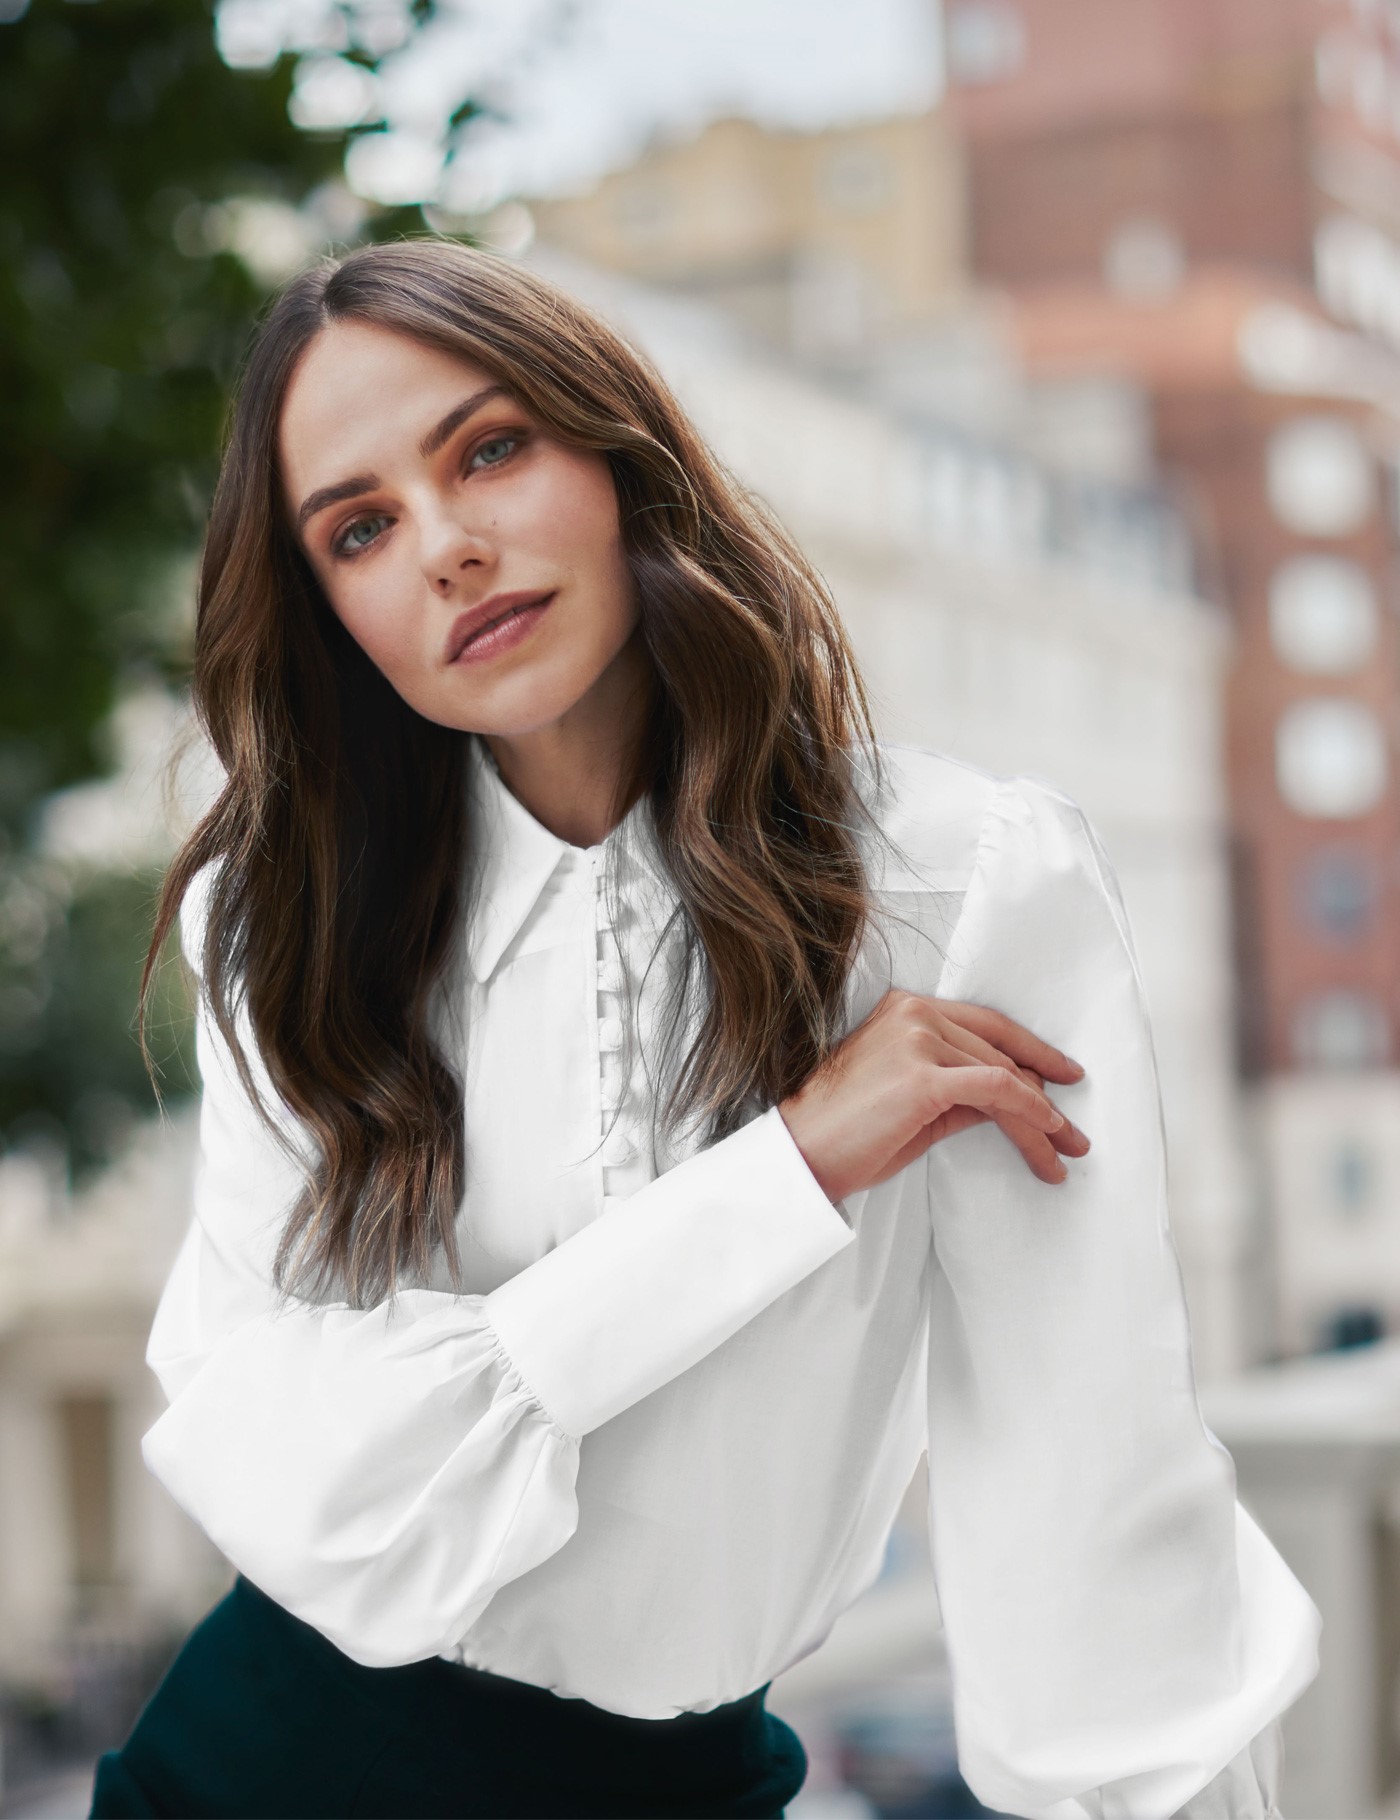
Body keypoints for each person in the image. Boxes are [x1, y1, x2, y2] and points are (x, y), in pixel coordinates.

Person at [90, 239, 1320, 1820]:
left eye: (490, 449)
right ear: (331, 611)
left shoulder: (961, 885)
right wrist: (784, 1174)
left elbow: (1092, 1486)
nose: (449, 548)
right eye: (362, 527)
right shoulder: (290, 925)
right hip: (266, 1774)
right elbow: (279, 1458)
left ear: (619, 455)